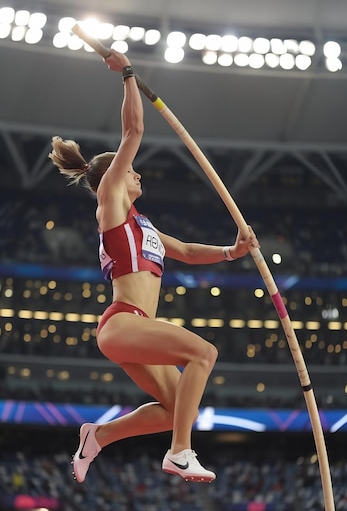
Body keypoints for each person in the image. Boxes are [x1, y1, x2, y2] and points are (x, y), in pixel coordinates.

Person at [48, 49, 260, 484]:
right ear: (115, 178)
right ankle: (181, 452)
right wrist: (127, 74)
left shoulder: (141, 226)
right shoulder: (111, 203)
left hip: (135, 328)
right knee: (204, 352)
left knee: (175, 406)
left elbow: (183, 250)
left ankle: (99, 437)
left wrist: (230, 252)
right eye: (133, 172)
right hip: (123, 322)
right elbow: (134, 129)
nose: (138, 176)